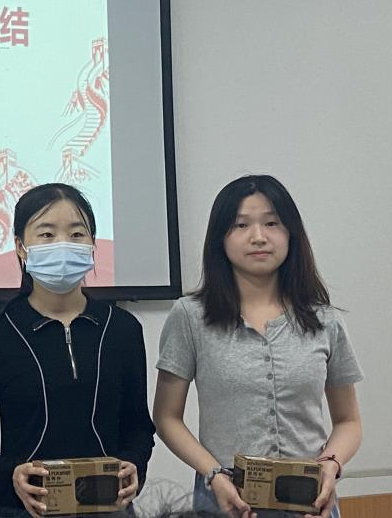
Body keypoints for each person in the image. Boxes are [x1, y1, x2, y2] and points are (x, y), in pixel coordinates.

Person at [153, 175, 363, 518]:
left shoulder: (325, 320)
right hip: (226, 497)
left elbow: (348, 421)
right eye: (241, 225)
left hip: (310, 499)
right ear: (220, 237)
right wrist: (213, 474)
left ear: (291, 233)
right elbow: (166, 417)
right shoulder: (190, 316)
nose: (258, 236)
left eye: (271, 223)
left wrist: (331, 464)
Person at [0, 183, 155, 518]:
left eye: (76, 234)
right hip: (25, 509)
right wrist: (9, 480)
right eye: (47, 234)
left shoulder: (122, 329)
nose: (63, 244)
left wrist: (134, 465)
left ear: (92, 244)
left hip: (108, 506)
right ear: (20, 247)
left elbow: (138, 426)